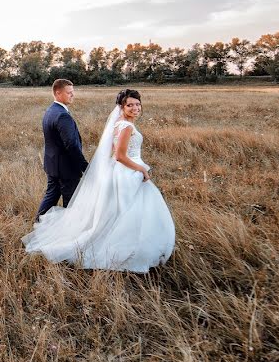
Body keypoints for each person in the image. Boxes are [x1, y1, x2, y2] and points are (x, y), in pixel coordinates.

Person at [23, 89, 176, 273]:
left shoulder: (119, 124)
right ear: (121, 107)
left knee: (115, 212)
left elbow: (114, 151)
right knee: (130, 212)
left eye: (137, 104)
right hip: (128, 172)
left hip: (121, 172)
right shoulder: (126, 126)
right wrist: (141, 169)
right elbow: (119, 156)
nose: (135, 108)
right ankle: (127, 247)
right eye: (130, 105)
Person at [35, 79, 89, 221]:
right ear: (58, 93)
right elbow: (71, 144)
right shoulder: (62, 115)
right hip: (66, 169)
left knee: (51, 196)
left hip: (53, 165)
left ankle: (38, 224)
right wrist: (84, 166)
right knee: (71, 203)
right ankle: (68, 234)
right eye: (69, 92)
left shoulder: (50, 111)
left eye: (73, 92)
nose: (73, 95)